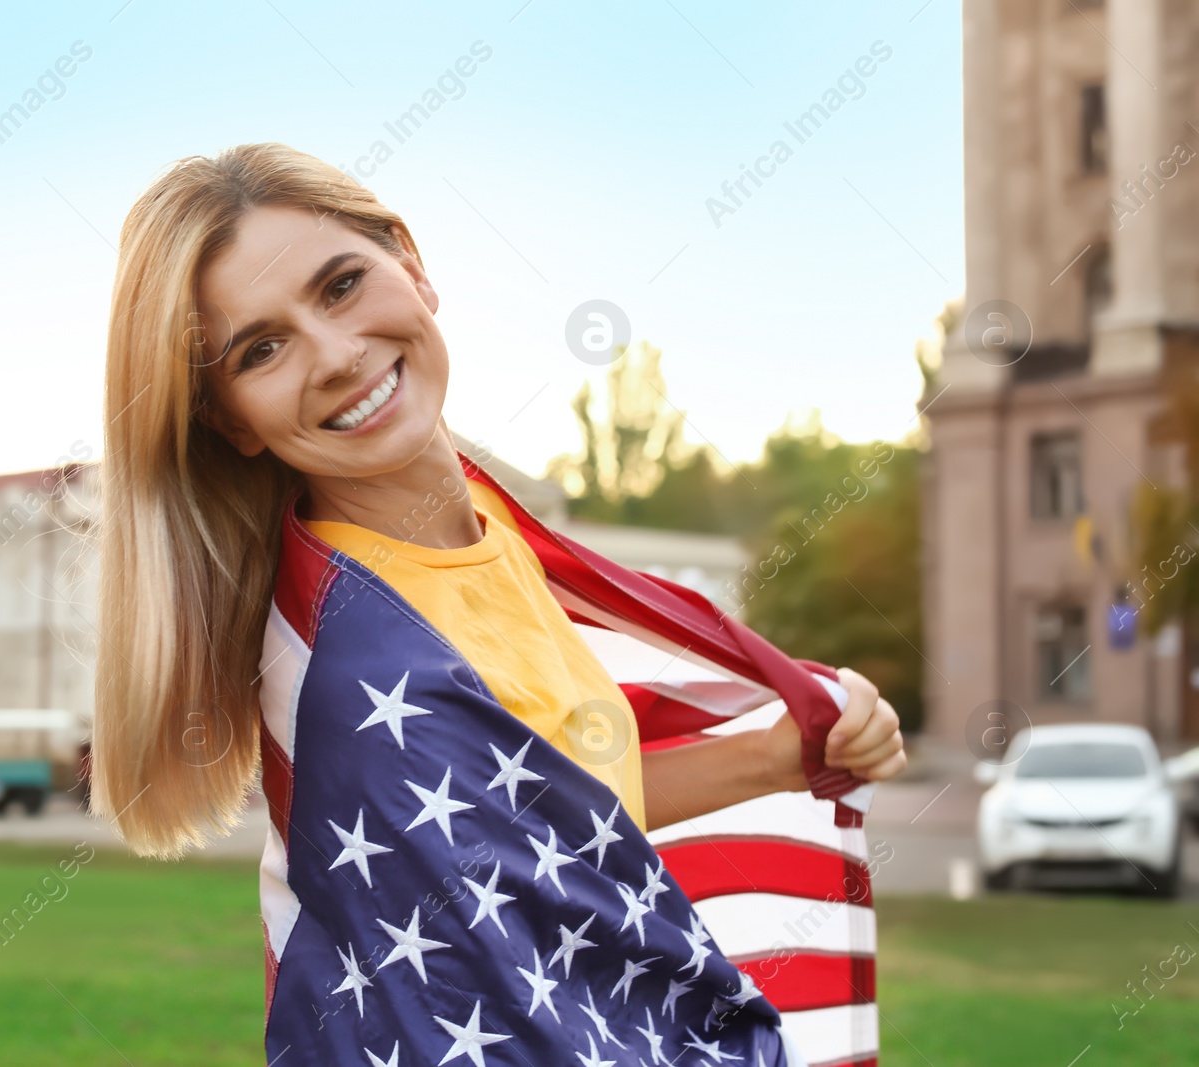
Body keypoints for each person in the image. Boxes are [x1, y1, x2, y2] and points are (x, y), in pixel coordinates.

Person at [91, 142, 907, 1065]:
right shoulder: (367, 671)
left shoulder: (487, 538)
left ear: (414, 264)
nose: (337, 354)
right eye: (263, 348)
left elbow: (557, 816)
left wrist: (779, 756)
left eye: (343, 284)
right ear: (230, 418)